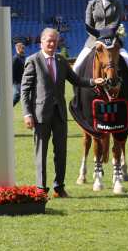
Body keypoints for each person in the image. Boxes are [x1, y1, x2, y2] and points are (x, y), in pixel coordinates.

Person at [21, 28, 104, 198]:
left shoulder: (61, 60)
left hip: (59, 115)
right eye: (48, 40)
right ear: (41, 41)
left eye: (54, 41)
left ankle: (59, 188)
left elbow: (76, 80)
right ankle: (40, 189)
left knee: (61, 152)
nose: (52, 44)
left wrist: (93, 81)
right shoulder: (33, 60)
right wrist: (27, 114)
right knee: (41, 153)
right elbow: (25, 90)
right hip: (40, 115)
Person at [73, 0, 128, 76]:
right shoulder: (91, 4)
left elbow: (117, 21)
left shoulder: (117, 3)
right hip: (94, 40)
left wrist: (108, 35)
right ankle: (77, 93)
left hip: (113, 41)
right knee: (76, 67)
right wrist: (98, 36)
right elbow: (88, 24)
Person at [12, 41, 26, 106]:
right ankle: (8, 107)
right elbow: (12, 71)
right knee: (17, 96)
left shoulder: (23, 58)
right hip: (16, 82)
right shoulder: (15, 59)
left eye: (24, 48)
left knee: (20, 97)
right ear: (18, 49)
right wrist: (13, 82)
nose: (23, 49)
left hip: (23, 81)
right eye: (22, 48)